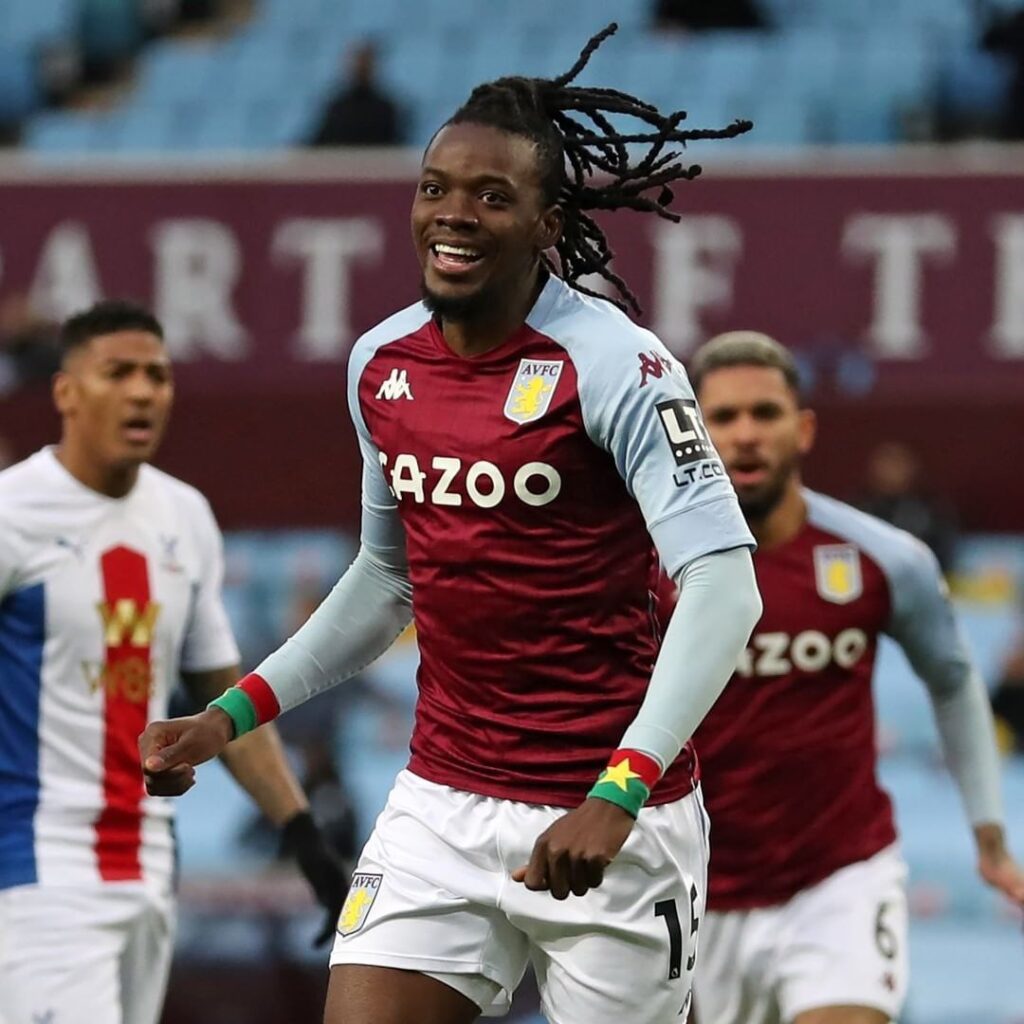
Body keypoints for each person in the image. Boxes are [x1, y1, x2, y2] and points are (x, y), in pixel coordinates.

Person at [139, 24, 762, 1024]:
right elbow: (387, 582)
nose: (453, 215)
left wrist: (620, 790)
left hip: (604, 813)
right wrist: (232, 714)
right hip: (440, 796)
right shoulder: (382, 365)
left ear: (548, 223)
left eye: (490, 195)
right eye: (435, 188)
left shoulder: (618, 367)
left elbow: (726, 586)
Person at [0, 300, 349, 1024]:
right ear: (66, 392)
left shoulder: (183, 516)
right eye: (116, 373)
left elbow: (221, 701)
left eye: (156, 375)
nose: (141, 392)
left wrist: (301, 832)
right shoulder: (13, 514)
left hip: (151, 869)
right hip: (37, 876)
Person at [679, 331, 1024, 1024]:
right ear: (693, 431)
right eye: (724, 416)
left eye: (766, 414)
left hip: (838, 878)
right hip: (693, 889)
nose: (746, 435)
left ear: (803, 429)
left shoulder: (882, 557)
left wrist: (989, 835)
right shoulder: (645, 567)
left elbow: (953, 680)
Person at [854, 440, 959, 574]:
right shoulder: (856, 509)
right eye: (885, 464)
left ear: (912, 468)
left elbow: (943, 553)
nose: (890, 471)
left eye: (897, 464)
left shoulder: (932, 510)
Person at [307, 40, 402, 147]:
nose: (361, 67)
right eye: (358, 62)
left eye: (365, 63)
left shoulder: (386, 111)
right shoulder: (337, 108)